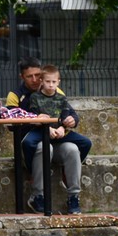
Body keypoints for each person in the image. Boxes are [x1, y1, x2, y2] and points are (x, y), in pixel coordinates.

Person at [23, 65, 92, 215]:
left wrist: (64, 127)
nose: (50, 85)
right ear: (42, 81)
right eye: (47, 81)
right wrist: (45, 127)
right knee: (37, 146)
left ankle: (73, 196)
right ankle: (37, 195)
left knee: (76, 147)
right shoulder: (30, 97)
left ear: (58, 82)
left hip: (59, 136)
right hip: (41, 135)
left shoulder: (61, 97)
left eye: (54, 82)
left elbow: (69, 115)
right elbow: (27, 117)